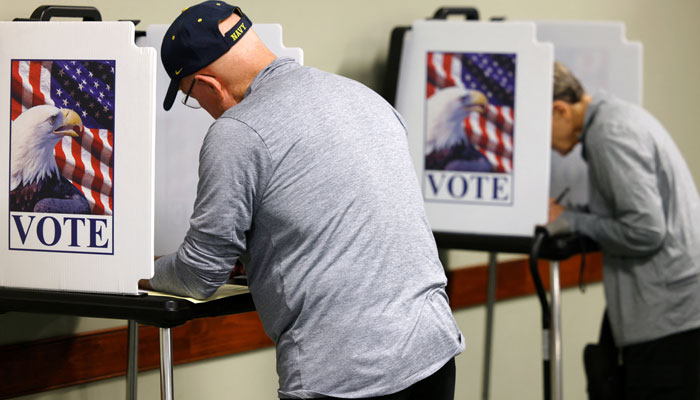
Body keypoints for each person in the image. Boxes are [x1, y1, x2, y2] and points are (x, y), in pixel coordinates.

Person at [140, 2, 464, 399]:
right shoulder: (363, 97)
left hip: (346, 376)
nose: (202, 108)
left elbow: (199, 275)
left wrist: (143, 272)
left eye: (192, 96)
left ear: (209, 84)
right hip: (431, 352)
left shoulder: (238, 131)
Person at [548, 61, 700, 399]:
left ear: (560, 110)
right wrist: (575, 214)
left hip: (667, 321)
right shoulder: (621, 118)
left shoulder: (609, 134)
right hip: (679, 312)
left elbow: (646, 230)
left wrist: (570, 221)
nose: (544, 145)